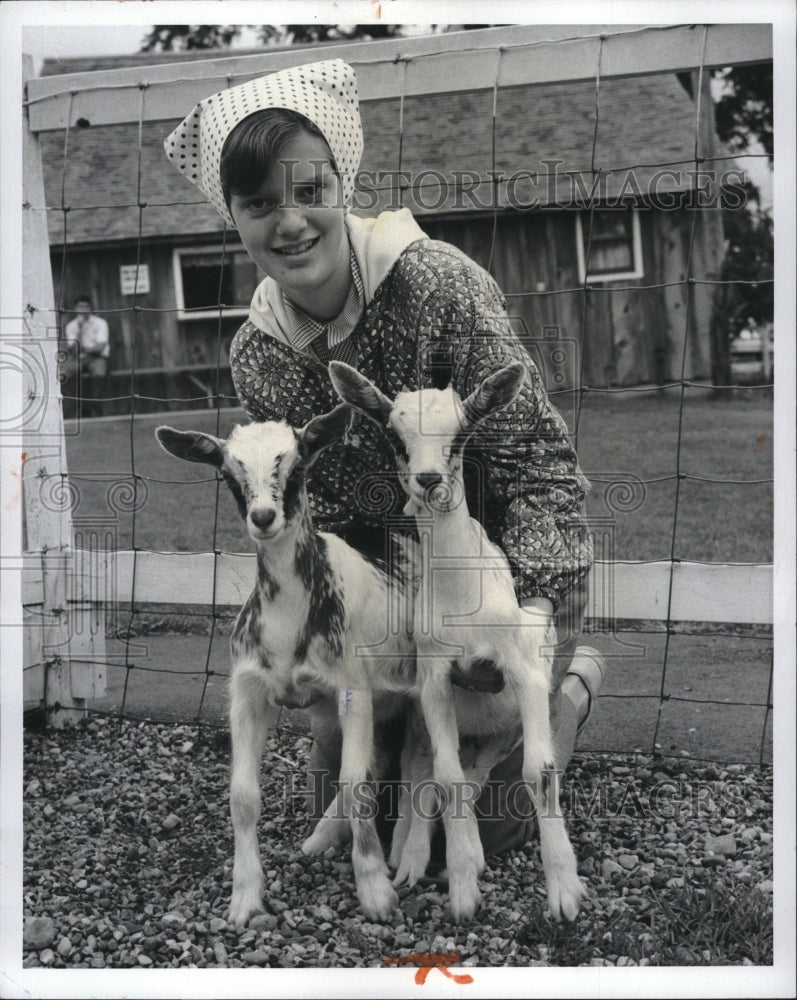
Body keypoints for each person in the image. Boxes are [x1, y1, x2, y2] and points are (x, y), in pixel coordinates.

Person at [165, 59, 604, 863]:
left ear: (341, 184)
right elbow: (312, 516)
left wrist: (528, 621)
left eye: (308, 192)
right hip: (380, 593)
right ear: (231, 215)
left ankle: (570, 684)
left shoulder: (437, 284)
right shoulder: (257, 355)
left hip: (493, 577)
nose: (289, 222)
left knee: (489, 826)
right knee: (353, 789)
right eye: (259, 204)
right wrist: (318, 635)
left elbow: (539, 466)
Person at [64, 295, 110, 417]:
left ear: (91, 308)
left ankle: (94, 411)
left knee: (99, 374)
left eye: (86, 306)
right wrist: (79, 329)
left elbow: (100, 347)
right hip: (78, 358)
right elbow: (73, 349)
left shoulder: (100, 323)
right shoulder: (72, 326)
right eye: (80, 306)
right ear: (75, 308)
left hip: (97, 358)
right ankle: (74, 411)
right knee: (66, 375)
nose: (83, 309)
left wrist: (83, 349)